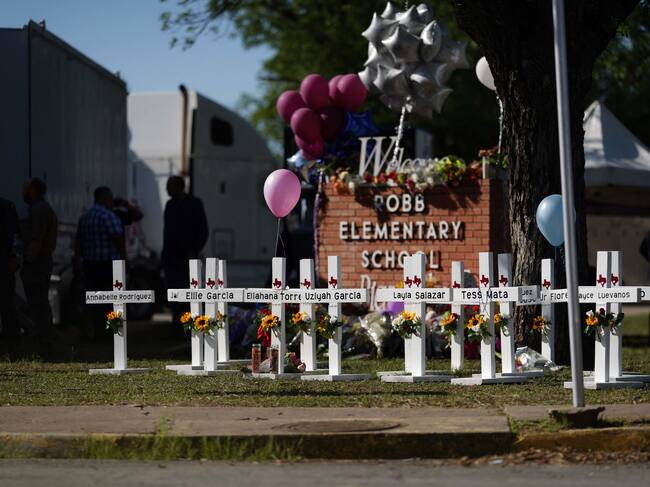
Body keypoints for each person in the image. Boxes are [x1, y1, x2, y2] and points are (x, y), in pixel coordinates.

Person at [75, 187, 125, 341]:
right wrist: (124, 259)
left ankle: (98, 332)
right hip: (108, 265)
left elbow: (78, 242)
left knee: (94, 301)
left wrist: (78, 261)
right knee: (112, 300)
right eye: (110, 198)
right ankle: (114, 332)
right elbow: (118, 239)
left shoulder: (85, 217)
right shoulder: (108, 216)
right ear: (104, 198)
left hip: (90, 265)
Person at [162, 176, 208, 334]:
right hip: (172, 257)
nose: (166, 189)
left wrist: (194, 250)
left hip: (189, 257)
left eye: (169, 186)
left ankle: (190, 326)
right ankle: (176, 326)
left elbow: (203, 230)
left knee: (190, 293)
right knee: (174, 294)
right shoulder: (170, 205)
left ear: (178, 187)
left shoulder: (194, 204)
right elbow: (167, 233)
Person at [20, 178, 58, 357]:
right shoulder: (41, 208)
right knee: (39, 302)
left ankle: (44, 342)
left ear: (33, 190)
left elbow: (37, 239)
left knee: (38, 303)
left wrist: (27, 259)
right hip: (40, 261)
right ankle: (45, 340)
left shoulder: (39, 210)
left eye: (25, 189)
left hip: (37, 263)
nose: (23, 193)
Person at [0, 197, 20, 358]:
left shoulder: (6, 206)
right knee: (7, 306)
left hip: (5, 263)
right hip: (5, 263)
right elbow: (15, 234)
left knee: (7, 307)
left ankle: (12, 347)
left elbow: (14, 235)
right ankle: (12, 348)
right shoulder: (7, 205)